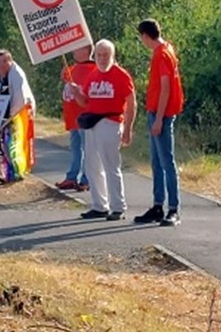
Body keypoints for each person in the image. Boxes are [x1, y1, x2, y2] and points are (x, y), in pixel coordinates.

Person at [71, 39, 135, 221]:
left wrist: (128, 128)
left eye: (105, 55)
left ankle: (118, 206)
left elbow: (131, 103)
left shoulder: (121, 75)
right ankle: (99, 205)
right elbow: (85, 101)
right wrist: (77, 93)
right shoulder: (93, 75)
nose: (102, 58)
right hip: (92, 123)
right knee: (92, 166)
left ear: (112, 55)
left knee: (111, 166)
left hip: (111, 121)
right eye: (99, 55)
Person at [132, 19, 185, 227]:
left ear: (145, 36)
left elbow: (165, 88)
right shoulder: (166, 49)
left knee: (166, 162)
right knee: (156, 162)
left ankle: (173, 208)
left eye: (141, 37)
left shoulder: (162, 54)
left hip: (160, 114)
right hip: (155, 112)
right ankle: (157, 206)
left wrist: (160, 119)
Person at [0, 49, 37, 182]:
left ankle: (17, 172)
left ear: (11, 61)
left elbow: (19, 98)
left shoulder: (17, 75)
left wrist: (10, 119)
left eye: (5, 61)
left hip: (18, 112)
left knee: (12, 143)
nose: (2, 64)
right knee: (1, 145)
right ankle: (7, 174)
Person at [57, 44, 94, 192]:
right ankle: (72, 177)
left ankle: (86, 178)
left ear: (85, 50)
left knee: (88, 149)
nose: (73, 51)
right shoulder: (71, 69)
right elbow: (65, 78)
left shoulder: (93, 70)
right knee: (75, 149)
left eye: (77, 48)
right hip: (72, 117)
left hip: (84, 116)